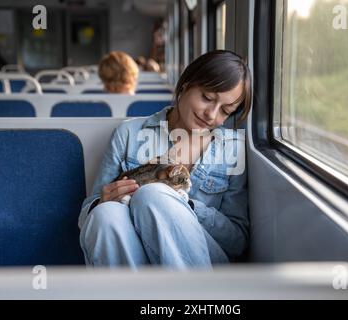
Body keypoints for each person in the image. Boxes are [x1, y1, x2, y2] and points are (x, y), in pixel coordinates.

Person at [79, 50, 251, 269]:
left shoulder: (232, 148)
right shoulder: (129, 134)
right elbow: (86, 217)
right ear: (186, 84)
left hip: (205, 264)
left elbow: (237, 241)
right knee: (105, 214)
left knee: (153, 194)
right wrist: (100, 201)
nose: (211, 115)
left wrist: (183, 204)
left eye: (225, 111)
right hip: (134, 253)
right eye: (207, 98)